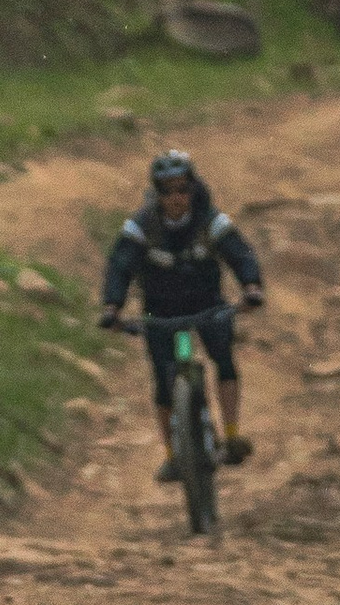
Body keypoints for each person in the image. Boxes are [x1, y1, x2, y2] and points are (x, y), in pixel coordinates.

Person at [98, 147, 265, 477]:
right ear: (156, 193)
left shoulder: (210, 220)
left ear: (193, 187)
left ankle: (230, 435)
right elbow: (120, 266)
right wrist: (112, 306)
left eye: (182, 189)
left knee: (224, 359)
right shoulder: (140, 227)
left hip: (208, 307)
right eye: (167, 191)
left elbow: (240, 254)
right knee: (162, 382)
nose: (176, 197)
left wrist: (252, 287)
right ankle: (173, 454)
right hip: (159, 313)